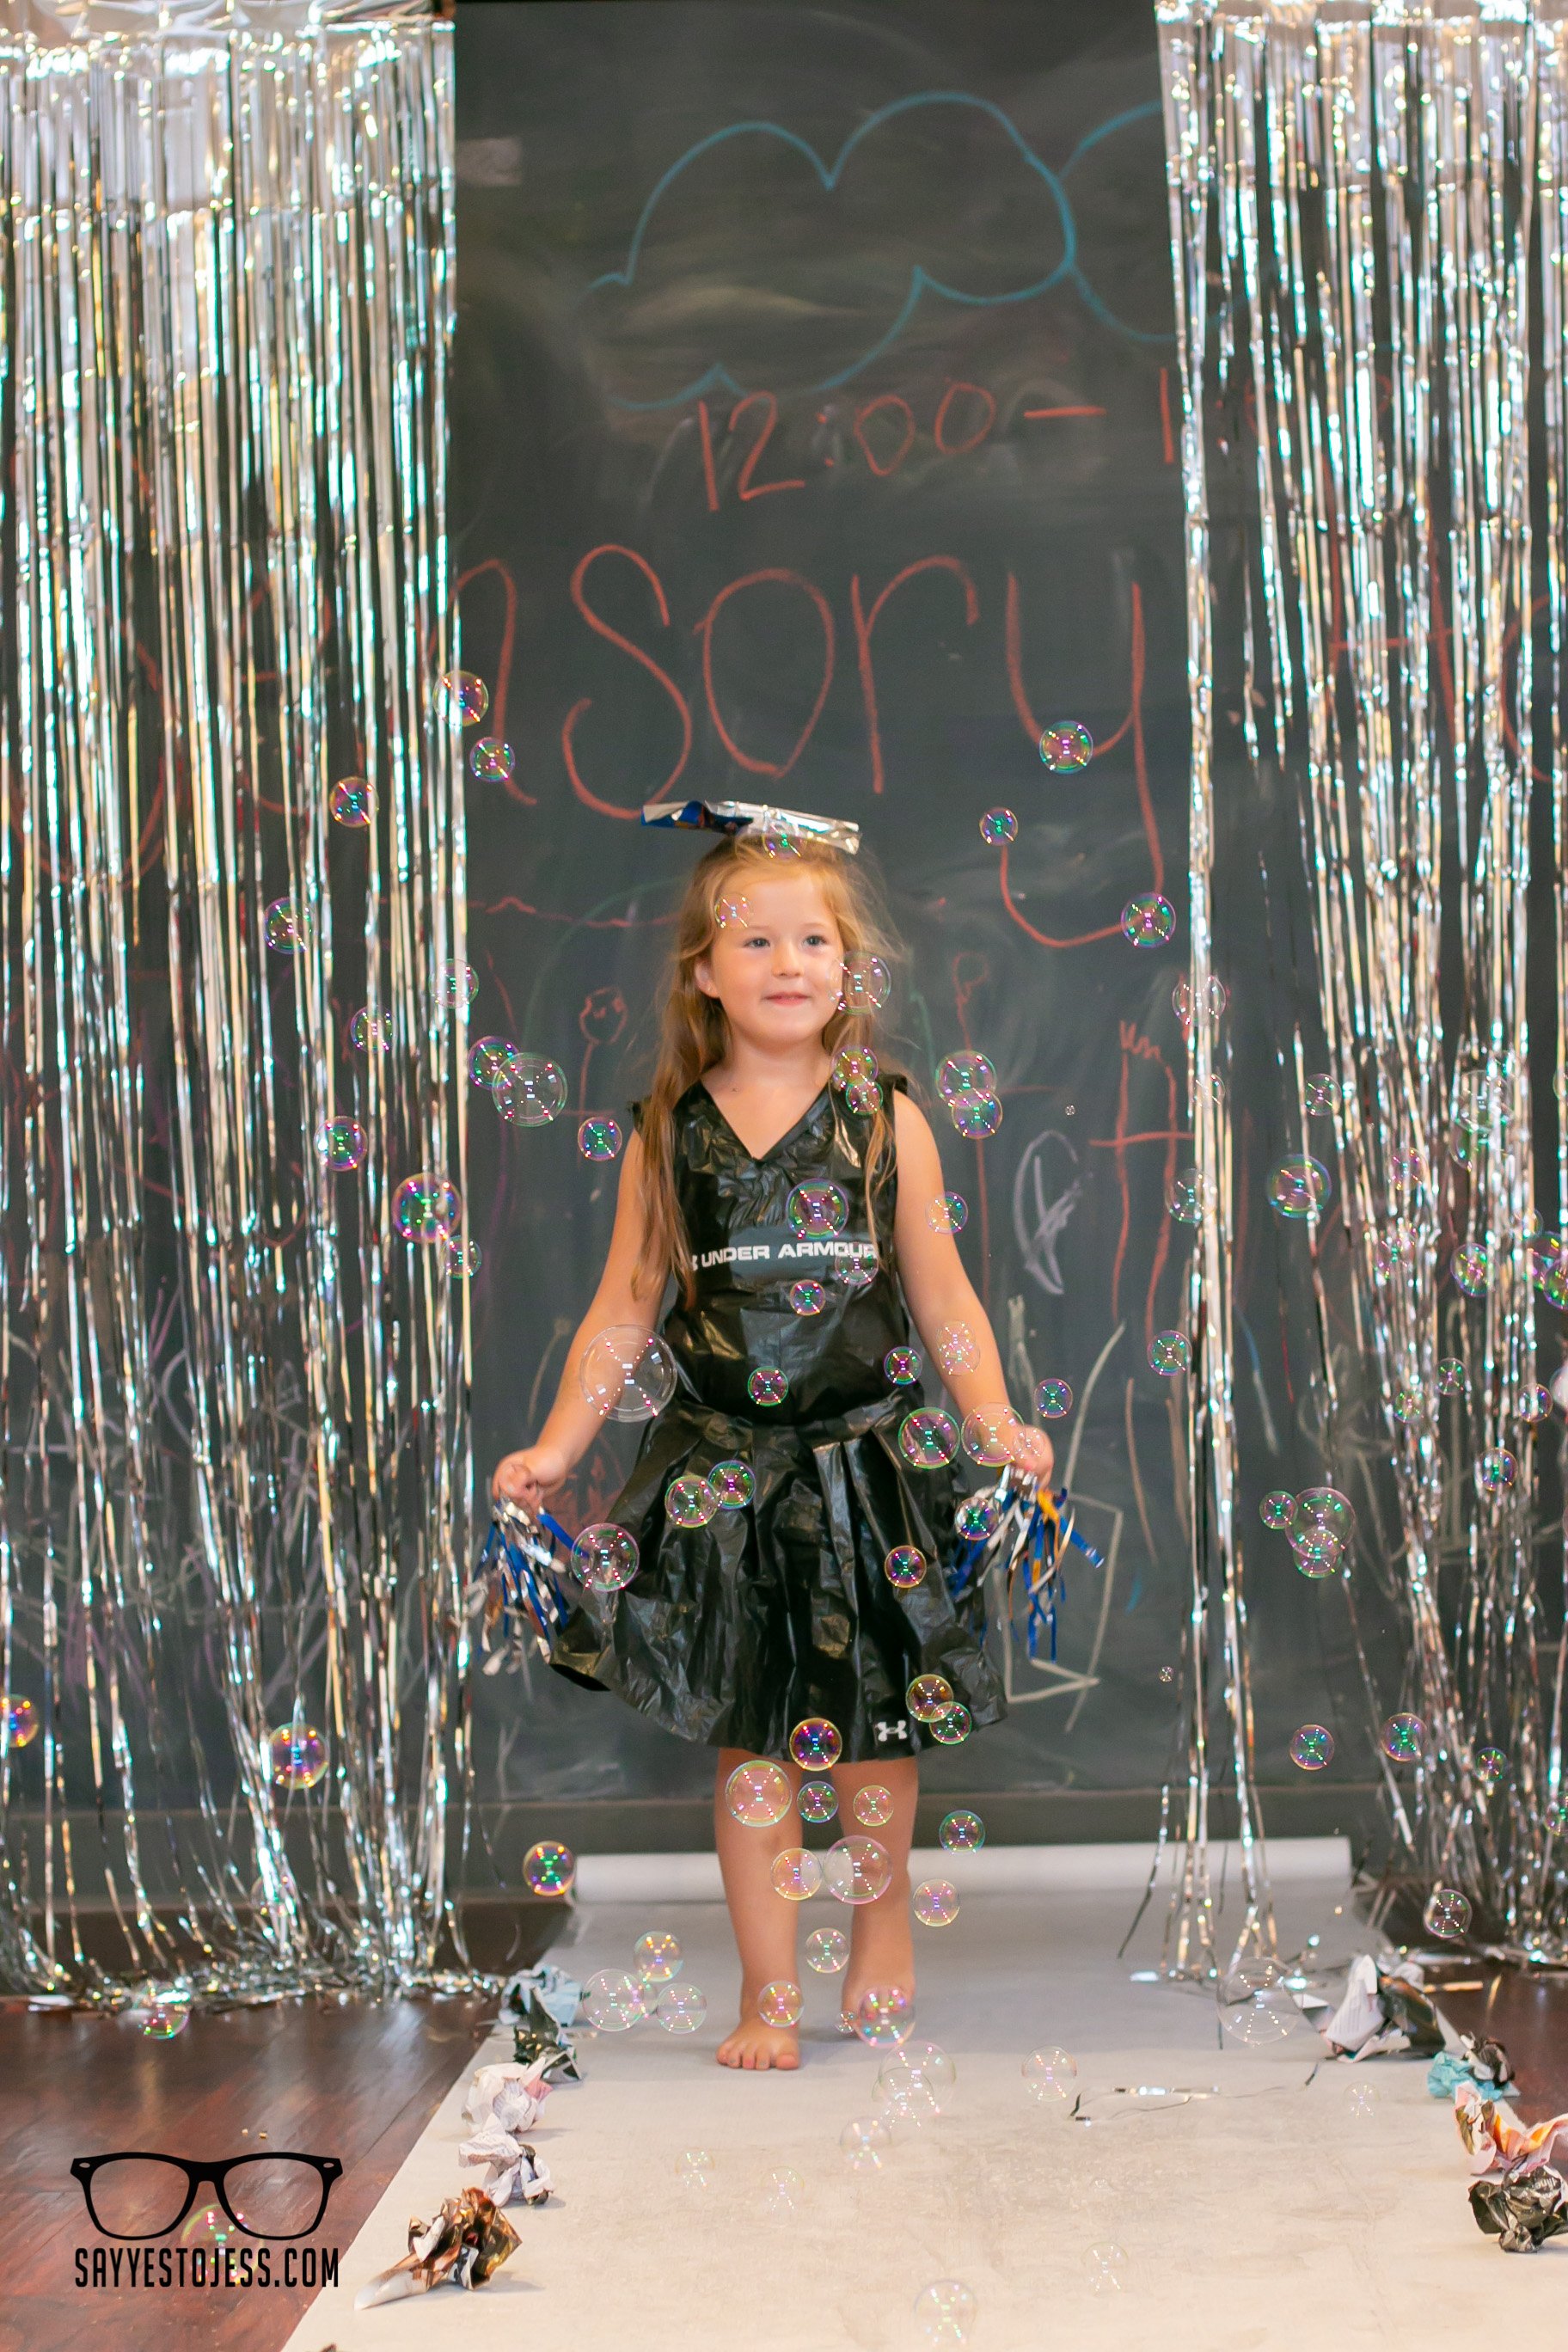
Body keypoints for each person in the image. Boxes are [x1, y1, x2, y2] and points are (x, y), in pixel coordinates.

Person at [492, 825, 1053, 2070]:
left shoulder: (886, 1122)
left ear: (850, 970)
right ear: (704, 971)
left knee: (874, 1736)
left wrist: (996, 1423)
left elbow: (944, 1297)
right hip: (724, 1474)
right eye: (754, 940)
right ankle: (768, 1992)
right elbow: (625, 1304)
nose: (786, 962)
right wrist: (556, 1445)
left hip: (869, 1466)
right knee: (754, 1747)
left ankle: (883, 1922)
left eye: (812, 940)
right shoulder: (670, 1132)